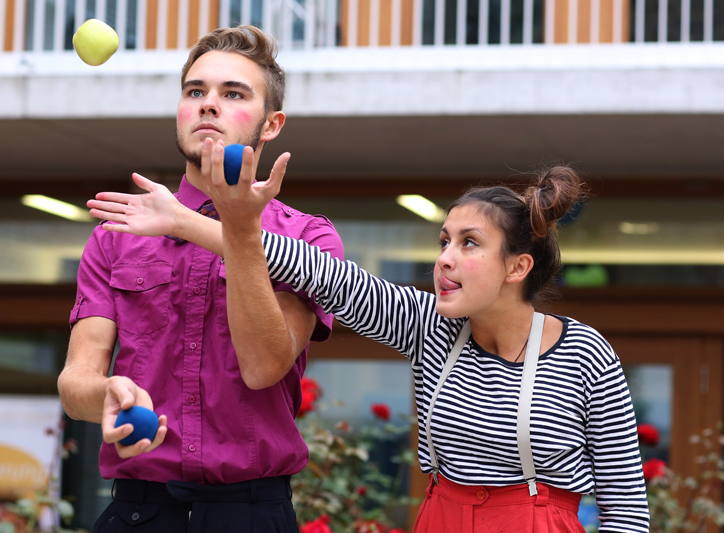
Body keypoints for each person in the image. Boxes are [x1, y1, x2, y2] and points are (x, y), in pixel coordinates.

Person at [88, 155, 651, 532]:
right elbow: (317, 272)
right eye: (444, 241)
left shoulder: (585, 353)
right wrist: (186, 222)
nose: (446, 258)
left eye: (470, 244)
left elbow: (626, 507)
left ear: (517, 266)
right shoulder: (428, 325)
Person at [57, 25, 344, 532]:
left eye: (233, 94)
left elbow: (263, 365)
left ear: (270, 124)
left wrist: (211, 226)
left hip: (251, 514)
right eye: (196, 92)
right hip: (137, 511)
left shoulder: (308, 238)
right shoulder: (115, 236)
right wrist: (106, 392)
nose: (208, 104)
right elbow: (75, 379)